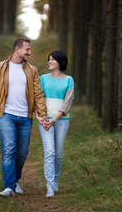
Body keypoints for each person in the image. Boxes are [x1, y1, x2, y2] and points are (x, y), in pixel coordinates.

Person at [0, 38, 48, 197]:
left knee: (21, 153)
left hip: (25, 117)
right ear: (17, 49)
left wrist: (42, 115)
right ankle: (8, 187)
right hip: (5, 116)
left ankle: (15, 181)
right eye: (27, 49)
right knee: (8, 150)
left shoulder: (32, 70)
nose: (30, 52)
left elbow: (38, 94)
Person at [35, 50, 74, 197]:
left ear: (60, 62)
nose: (49, 62)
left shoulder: (69, 80)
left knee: (58, 154)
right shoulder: (43, 79)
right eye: (48, 59)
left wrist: (55, 119)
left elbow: (66, 104)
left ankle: (55, 180)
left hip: (61, 121)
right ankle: (50, 185)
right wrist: (38, 117)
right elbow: (37, 99)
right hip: (44, 120)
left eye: (52, 59)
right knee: (50, 152)